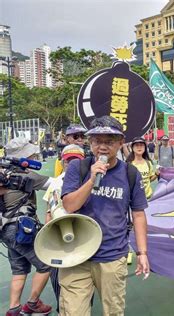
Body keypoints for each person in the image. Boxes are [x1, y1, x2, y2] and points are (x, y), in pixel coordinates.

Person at [60, 116, 150, 316]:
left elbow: (138, 214)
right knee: (72, 312)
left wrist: (142, 253)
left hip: (112, 256)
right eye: (97, 141)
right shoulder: (78, 168)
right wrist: (92, 179)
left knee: (113, 311)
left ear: (120, 143)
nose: (102, 146)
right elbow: (69, 205)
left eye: (109, 141)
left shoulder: (130, 173)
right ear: (90, 142)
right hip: (76, 255)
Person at [1, 137, 53, 316]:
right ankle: (32, 304)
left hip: (6, 229)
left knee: (19, 269)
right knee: (46, 264)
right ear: (23, 156)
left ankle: (14, 309)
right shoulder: (25, 175)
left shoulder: (4, 174)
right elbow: (55, 185)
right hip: (21, 228)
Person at [42, 144, 85, 314]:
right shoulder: (55, 183)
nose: (72, 164)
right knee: (59, 280)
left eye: (76, 160)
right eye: (69, 161)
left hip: (81, 236)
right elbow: (48, 211)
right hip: (59, 237)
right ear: (63, 162)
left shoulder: (88, 181)